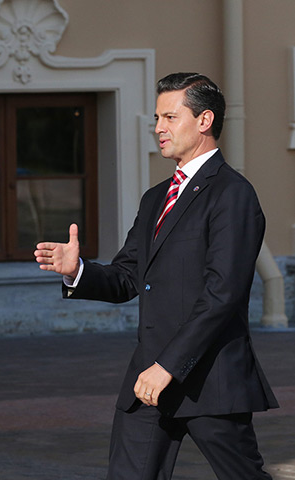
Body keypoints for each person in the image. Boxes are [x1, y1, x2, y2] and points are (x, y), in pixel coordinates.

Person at [34, 72, 278, 479]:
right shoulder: (155, 199)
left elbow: (224, 294)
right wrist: (78, 271)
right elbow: (127, 277)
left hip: (209, 380)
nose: (158, 128)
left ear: (204, 121)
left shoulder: (233, 194)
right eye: (156, 118)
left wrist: (169, 365)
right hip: (148, 381)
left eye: (169, 117)